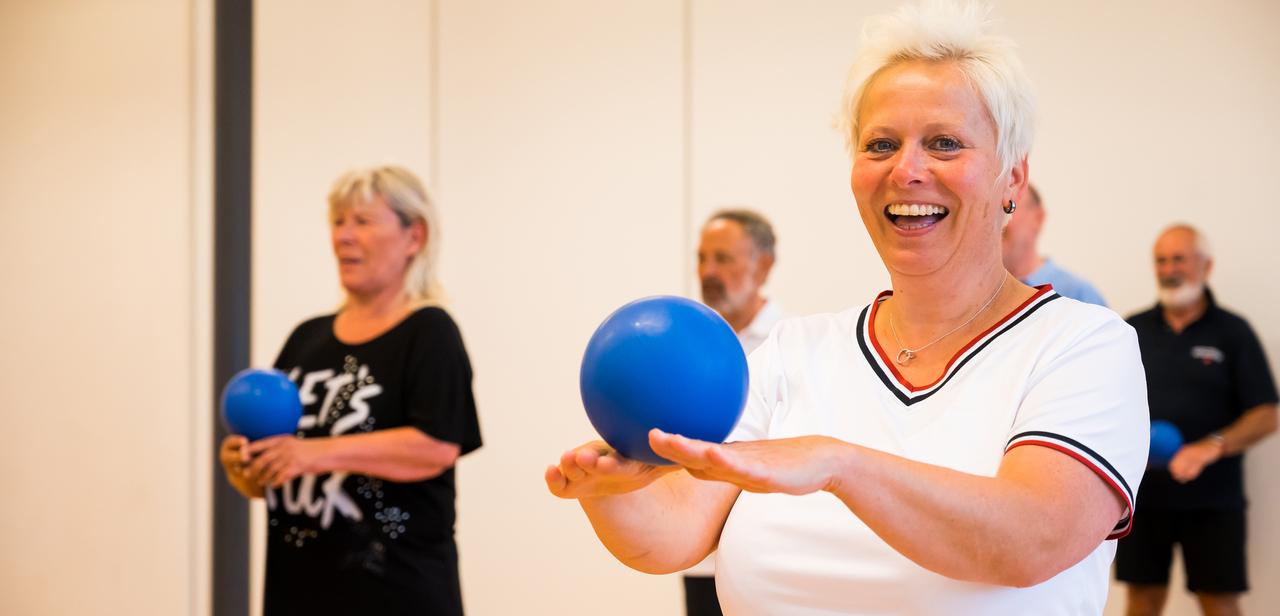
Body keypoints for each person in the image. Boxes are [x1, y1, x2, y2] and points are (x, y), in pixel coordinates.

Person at [545, 2, 1149, 614]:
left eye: (944, 143)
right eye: (880, 144)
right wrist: (611, 491)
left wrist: (840, 465)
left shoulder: (1085, 346)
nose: (906, 171)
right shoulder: (793, 352)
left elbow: (1033, 539)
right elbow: (673, 537)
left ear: (1013, 180)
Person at [218, 165, 482, 615]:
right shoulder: (307, 338)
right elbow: (278, 473)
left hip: (397, 594)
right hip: (298, 593)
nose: (343, 236)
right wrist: (246, 464)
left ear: (413, 237)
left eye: (362, 221)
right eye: (339, 222)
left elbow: (436, 446)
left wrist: (312, 453)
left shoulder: (429, 331)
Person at [1116, 224, 1278, 616]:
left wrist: (1212, 446)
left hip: (1213, 500)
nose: (1169, 268)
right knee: (1141, 600)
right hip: (1143, 498)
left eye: (1179, 259)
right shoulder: (1131, 329)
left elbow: (1267, 413)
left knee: (1219, 603)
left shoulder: (1233, 332)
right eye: (1161, 260)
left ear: (1207, 266)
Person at [687, 208, 787, 615]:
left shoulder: (791, 348)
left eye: (723, 259)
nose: (708, 271)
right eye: (702, 258)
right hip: (699, 555)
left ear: (763, 266)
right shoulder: (687, 345)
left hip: (771, 558)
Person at [1001, 183, 1107, 305]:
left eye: (1007, 208)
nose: (995, 221)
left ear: (1038, 218)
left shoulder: (1080, 296)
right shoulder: (981, 298)